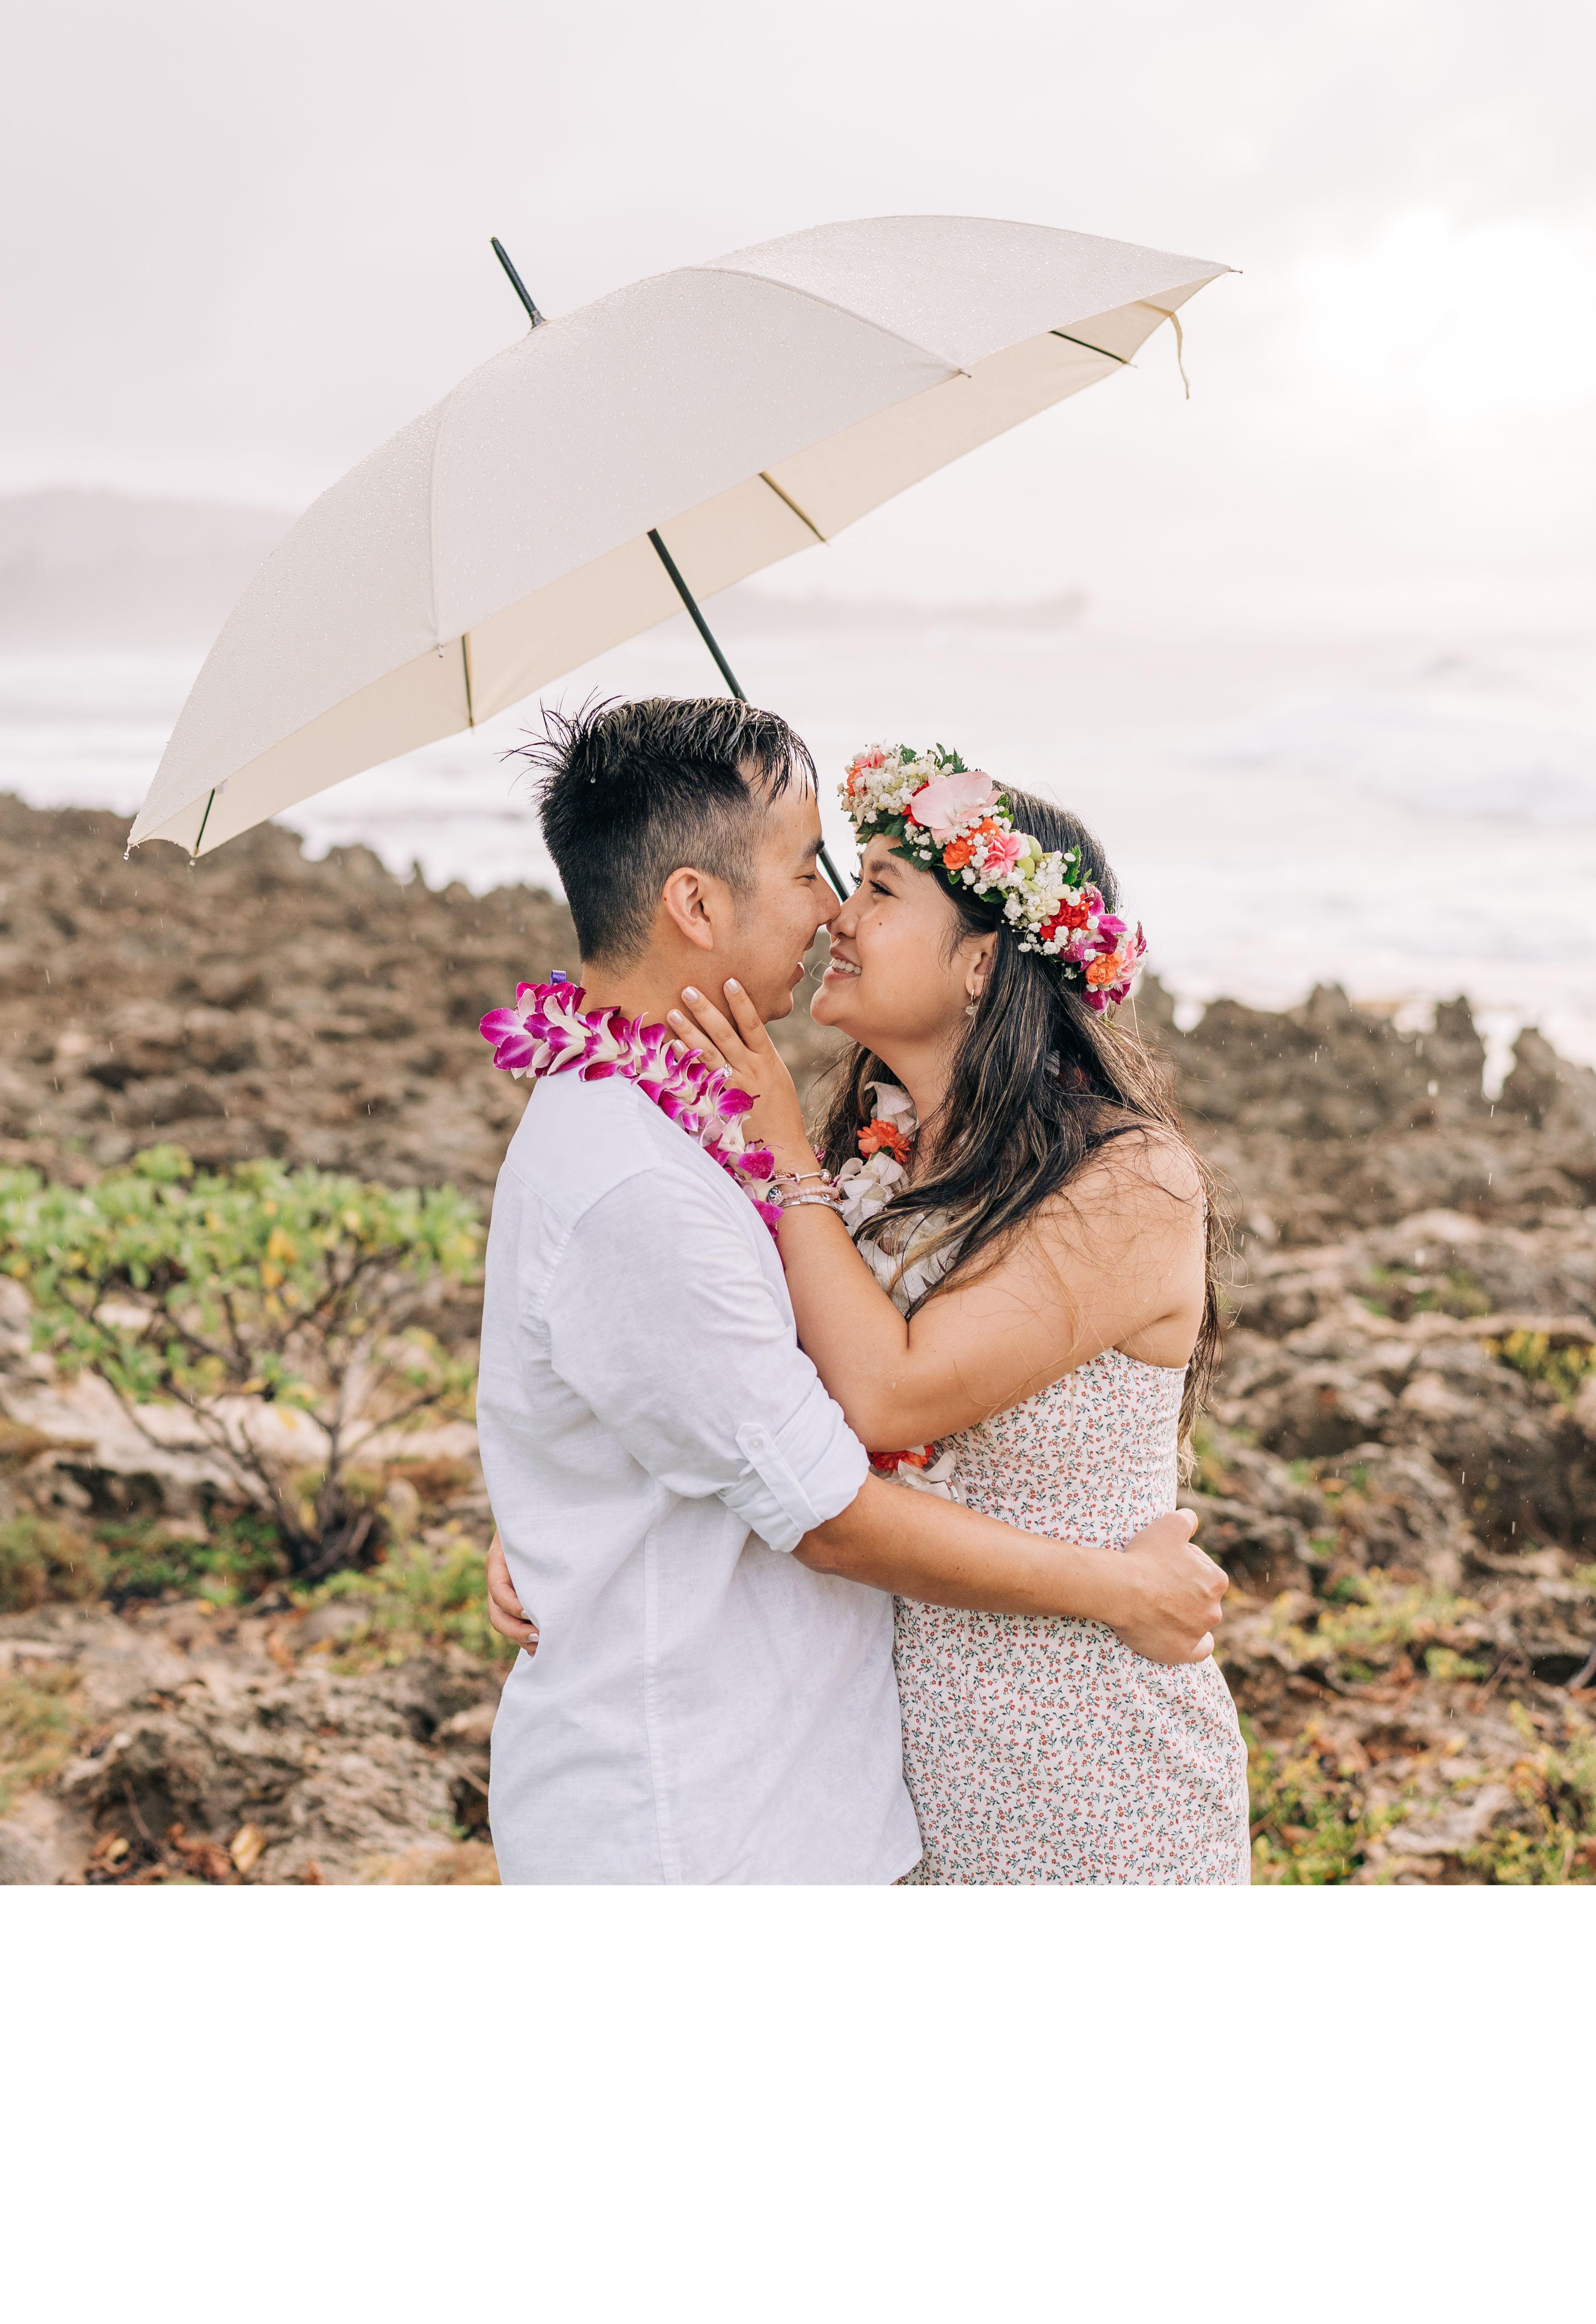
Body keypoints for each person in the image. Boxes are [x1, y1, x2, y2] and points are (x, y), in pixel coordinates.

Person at [471, 697, 1228, 1886]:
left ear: (985, 959)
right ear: (697, 904)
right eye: (827, 873)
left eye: (877, 887)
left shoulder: (1113, 1182)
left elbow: (834, 1397)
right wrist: (574, 1518)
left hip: (1068, 1740)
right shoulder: (822, 1168)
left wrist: (584, 1512)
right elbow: (791, 1428)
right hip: (856, 1771)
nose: (834, 912)